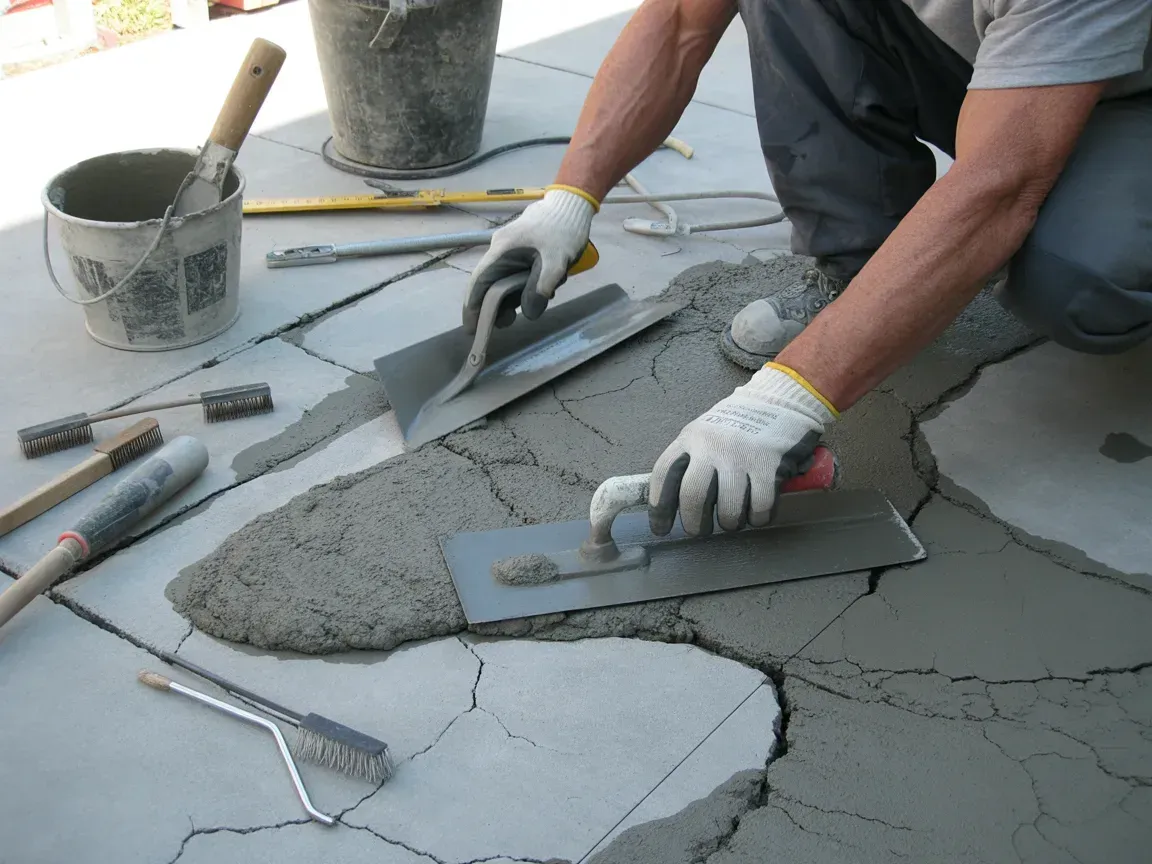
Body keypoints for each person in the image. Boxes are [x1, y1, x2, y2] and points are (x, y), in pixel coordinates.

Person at [464, 0, 1152, 538]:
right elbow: (677, 23)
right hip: (996, 64)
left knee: (1079, 277)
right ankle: (865, 280)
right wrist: (569, 200)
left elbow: (1000, 183)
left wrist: (790, 396)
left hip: (1124, 94)